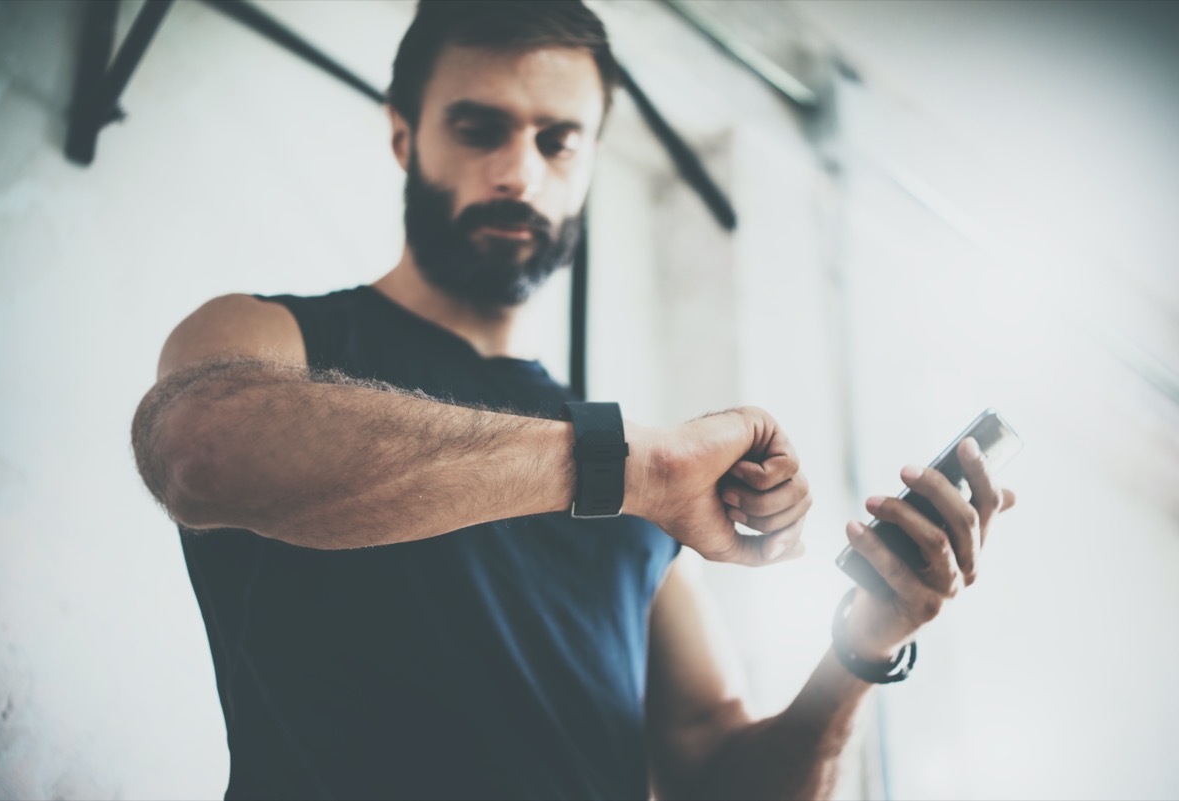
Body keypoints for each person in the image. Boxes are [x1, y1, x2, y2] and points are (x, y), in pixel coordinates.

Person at [131, 2, 1016, 799]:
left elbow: (718, 780)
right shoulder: (274, 338)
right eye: (479, 129)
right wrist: (638, 466)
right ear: (404, 136)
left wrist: (864, 643)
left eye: (559, 140)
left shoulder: (637, 481)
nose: (520, 171)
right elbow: (198, 448)